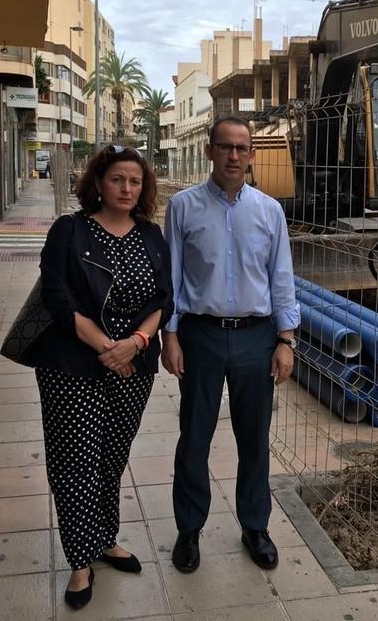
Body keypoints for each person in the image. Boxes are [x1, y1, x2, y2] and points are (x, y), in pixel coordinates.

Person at [35, 145, 173, 609]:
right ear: (98, 182)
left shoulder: (152, 236)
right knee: (75, 462)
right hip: (73, 366)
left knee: (112, 457)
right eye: (118, 179)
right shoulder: (69, 231)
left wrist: (135, 343)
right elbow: (57, 296)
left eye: (134, 181)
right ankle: (79, 562)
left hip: (133, 366)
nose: (127, 188)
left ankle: (104, 538)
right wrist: (105, 348)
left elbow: (164, 299)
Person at [162, 116, 299, 574]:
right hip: (200, 336)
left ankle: (254, 526)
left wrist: (286, 339)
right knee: (194, 437)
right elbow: (173, 278)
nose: (234, 156)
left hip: (257, 338)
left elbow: (282, 278)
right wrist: (171, 334)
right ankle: (189, 529)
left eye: (242, 148)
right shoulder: (183, 208)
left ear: (252, 155)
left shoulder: (269, 211)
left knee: (254, 439)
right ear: (209, 151)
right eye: (226, 147)